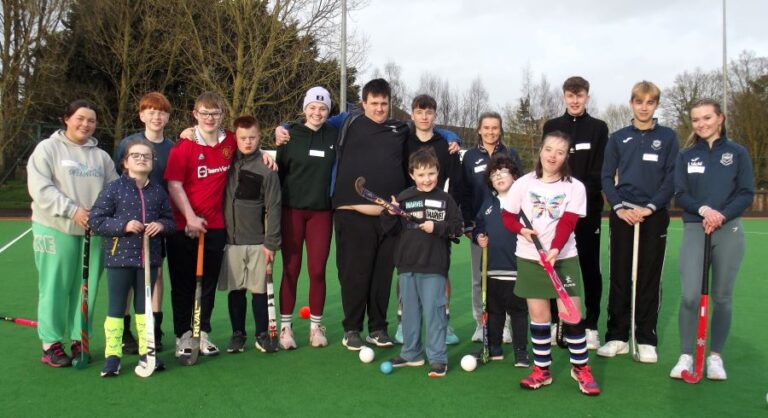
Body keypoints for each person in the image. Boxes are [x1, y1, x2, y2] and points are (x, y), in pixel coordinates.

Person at [274, 79, 461, 351]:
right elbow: (313, 119)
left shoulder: (399, 128)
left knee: (382, 275)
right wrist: (284, 127)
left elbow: (426, 127)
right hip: (352, 215)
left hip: (389, 218)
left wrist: (451, 136)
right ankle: (352, 329)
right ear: (363, 103)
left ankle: (378, 328)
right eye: (374, 103)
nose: (379, 108)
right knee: (354, 274)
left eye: (384, 103)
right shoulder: (347, 123)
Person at [501, 131, 601, 396]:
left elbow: (568, 222)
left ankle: (580, 368)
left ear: (567, 156)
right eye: (548, 149)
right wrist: (521, 231)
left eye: (559, 151)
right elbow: (508, 217)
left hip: (564, 258)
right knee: (539, 316)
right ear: (541, 151)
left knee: (572, 315)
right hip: (530, 258)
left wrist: (555, 249)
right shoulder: (523, 183)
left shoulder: (574, 187)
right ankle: (542, 369)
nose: (552, 156)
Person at [27, 100, 119, 367]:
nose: (85, 124)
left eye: (91, 120)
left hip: (93, 232)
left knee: (85, 290)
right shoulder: (48, 148)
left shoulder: (100, 156)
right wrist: (73, 210)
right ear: (66, 118)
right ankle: (51, 344)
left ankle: (81, 338)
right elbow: (40, 187)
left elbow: (113, 189)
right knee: (55, 286)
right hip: (56, 227)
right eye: (80, 118)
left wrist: (100, 214)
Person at [669, 98, 753, 381]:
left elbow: (745, 193)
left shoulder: (738, 153)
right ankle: (686, 354)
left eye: (707, 118)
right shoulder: (686, 155)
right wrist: (704, 210)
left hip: (727, 230)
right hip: (695, 227)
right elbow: (680, 193)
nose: (701, 124)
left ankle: (715, 356)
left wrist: (721, 215)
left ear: (721, 118)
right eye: (696, 120)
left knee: (722, 298)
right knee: (690, 295)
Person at [598, 81, 678, 363]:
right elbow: (607, 177)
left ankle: (646, 338)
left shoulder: (668, 137)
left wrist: (651, 207)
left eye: (650, 102)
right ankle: (616, 336)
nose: (644, 107)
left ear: (656, 105)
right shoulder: (618, 138)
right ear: (631, 103)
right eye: (639, 102)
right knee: (619, 275)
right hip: (623, 214)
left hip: (653, 216)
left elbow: (672, 178)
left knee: (648, 277)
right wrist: (619, 207)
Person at [88, 138, 175, 376]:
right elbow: (96, 220)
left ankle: (148, 353)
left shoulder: (158, 191)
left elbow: (171, 221)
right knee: (116, 308)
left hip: (149, 259)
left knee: (144, 309)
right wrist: (124, 225)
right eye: (135, 155)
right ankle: (112, 356)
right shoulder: (114, 188)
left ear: (152, 163)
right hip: (119, 259)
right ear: (125, 162)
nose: (141, 159)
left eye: (146, 156)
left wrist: (160, 225)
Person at [165, 91, 235, 359]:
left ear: (222, 116)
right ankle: (183, 335)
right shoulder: (183, 146)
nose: (210, 118)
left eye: (215, 113)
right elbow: (174, 184)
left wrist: (265, 156)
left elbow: (250, 145)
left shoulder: (229, 142)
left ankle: (202, 332)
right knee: (182, 284)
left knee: (207, 283)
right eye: (204, 113)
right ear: (195, 114)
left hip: (215, 226)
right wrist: (191, 217)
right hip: (184, 226)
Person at [382, 148, 463, 378]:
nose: (427, 179)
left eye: (431, 173)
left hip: (434, 267)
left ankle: (438, 358)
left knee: (435, 314)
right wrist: (389, 213)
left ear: (438, 171)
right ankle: (411, 353)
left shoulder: (445, 199)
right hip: (407, 266)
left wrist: (436, 227)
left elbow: (457, 227)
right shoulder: (404, 198)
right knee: (409, 313)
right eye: (421, 174)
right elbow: (391, 230)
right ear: (412, 175)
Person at [542, 76, 609, 349]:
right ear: (564, 97)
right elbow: (548, 162)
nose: (575, 100)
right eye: (570, 96)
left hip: (586, 210)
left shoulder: (598, 128)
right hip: (554, 211)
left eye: (579, 96)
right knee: (554, 263)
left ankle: (590, 325)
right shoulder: (552, 126)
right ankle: (559, 320)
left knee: (589, 267)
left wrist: (576, 197)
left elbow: (599, 171)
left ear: (587, 97)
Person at [394, 94, 463, 346]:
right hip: (408, 214)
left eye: (429, 112)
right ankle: (404, 323)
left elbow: (455, 180)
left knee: (440, 270)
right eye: (419, 112)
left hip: (437, 215)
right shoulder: (403, 140)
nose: (424, 117)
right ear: (412, 114)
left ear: (435, 115)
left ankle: (443, 322)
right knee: (406, 272)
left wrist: (450, 216)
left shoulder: (446, 144)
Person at [112, 92, 175, 354]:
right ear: (141, 115)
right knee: (128, 276)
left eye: (161, 112)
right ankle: (126, 333)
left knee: (157, 274)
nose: (156, 116)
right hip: (131, 223)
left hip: (160, 221)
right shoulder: (129, 143)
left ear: (168, 117)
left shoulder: (173, 147)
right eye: (151, 111)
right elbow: (119, 179)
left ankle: (154, 329)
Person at [276, 87, 337, 349]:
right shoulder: (290, 135)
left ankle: (315, 327)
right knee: (291, 269)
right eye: (312, 107)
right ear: (304, 109)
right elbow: (279, 176)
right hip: (292, 211)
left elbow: (356, 113)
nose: (317, 112)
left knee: (317, 270)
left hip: (321, 213)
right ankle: (286, 328)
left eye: (322, 108)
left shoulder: (335, 133)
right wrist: (282, 126)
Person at [218, 116, 281, 354]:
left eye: (253, 137)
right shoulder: (225, 161)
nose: (247, 142)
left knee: (259, 290)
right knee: (236, 290)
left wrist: (271, 242)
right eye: (242, 138)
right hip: (230, 241)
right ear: (235, 137)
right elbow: (209, 132)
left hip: (258, 241)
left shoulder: (267, 168)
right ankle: (238, 334)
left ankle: (262, 334)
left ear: (259, 136)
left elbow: (274, 207)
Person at [461, 111, 522, 343]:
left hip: (506, 227)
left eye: (495, 128)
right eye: (486, 128)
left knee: (506, 278)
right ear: (479, 129)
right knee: (479, 277)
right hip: (480, 227)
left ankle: (504, 324)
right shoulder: (469, 157)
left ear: (500, 129)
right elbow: (464, 192)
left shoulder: (511, 154)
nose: (490, 132)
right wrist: (469, 225)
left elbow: (520, 187)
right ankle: (481, 323)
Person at [473, 154, 529, 367]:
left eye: (503, 172)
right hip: (492, 270)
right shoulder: (488, 204)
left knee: (518, 312)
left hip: (517, 269)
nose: (498, 176)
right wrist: (479, 236)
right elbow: (479, 225)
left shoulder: (523, 204)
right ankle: (493, 347)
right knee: (494, 312)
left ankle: (521, 352)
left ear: (515, 176)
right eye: (494, 174)